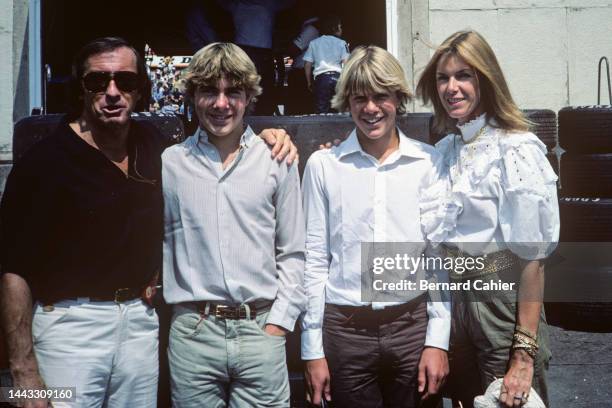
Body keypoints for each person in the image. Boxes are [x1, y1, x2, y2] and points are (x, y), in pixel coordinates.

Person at [0, 37, 297, 408]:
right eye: (98, 81)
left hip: (141, 329)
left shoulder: (154, 148)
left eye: (124, 81)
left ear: (140, 90)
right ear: (80, 88)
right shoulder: (41, 163)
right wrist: (22, 374)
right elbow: (12, 269)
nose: (112, 92)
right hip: (68, 331)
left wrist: (272, 135)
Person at [301, 45, 451, 408]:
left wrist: (438, 340)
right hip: (345, 330)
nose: (370, 108)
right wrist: (312, 349)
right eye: (359, 98)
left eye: (381, 96)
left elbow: (437, 258)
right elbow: (314, 260)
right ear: (346, 102)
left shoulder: (429, 163)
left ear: (398, 98)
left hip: (411, 327)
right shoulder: (324, 166)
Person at [416, 30, 559, 408]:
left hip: (500, 302)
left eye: (464, 75)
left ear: (487, 79)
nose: (452, 87)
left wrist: (524, 354)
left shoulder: (515, 148)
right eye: (443, 78)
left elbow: (532, 258)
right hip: (453, 305)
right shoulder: (444, 151)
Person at [162, 42, 307, 407]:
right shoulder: (170, 164)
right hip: (194, 334)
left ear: (249, 98)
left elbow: (293, 251)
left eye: (233, 92)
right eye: (209, 90)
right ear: (193, 95)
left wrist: (279, 324)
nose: (221, 104)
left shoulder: (276, 160)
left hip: (260, 327)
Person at [217, 0, 295, 115]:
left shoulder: (237, 5)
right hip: (262, 51)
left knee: (240, 84)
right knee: (263, 86)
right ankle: (263, 115)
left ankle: (242, 113)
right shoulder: (269, 4)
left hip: (243, 51)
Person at [303, 15, 349, 113]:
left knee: (321, 110)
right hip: (338, 78)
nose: (342, 29)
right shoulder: (342, 43)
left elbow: (307, 64)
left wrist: (309, 82)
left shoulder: (314, 43)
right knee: (339, 110)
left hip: (321, 80)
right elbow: (346, 63)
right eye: (340, 27)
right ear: (334, 28)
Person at [285, 16, 319, 114]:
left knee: (298, 109)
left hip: (302, 73)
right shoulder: (311, 27)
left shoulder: (311, 29)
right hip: (305, 71)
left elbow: (294, 48)